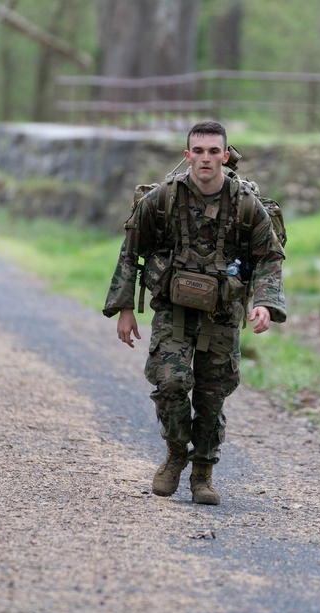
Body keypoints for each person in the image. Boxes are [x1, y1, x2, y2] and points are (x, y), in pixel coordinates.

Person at [103, 121, 286, 505]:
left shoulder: (245, 204)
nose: (206, 159)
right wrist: (124, 308)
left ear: (224, 155)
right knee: (170, 383)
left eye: (213, 151)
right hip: (172, 310)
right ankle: (174, 456)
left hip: (222, 313)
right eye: (198, 151)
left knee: (212, 396)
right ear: (188, 156)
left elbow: (268, 257)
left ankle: (203, 472)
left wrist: (265, 304)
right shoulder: (163, 199)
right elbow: (131, 249)